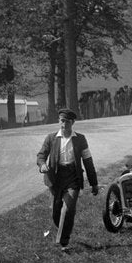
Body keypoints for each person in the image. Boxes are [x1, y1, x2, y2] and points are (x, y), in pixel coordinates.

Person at [35, 108, 99, 252]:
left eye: (67, 122)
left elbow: (88, 161)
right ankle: (63, 229)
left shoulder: (80, 139)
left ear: (73, 123)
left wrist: (94, 183)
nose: (64, 125)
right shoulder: (51, 138)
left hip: (73, 177)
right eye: (62, 121)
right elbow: (41, 155)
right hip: (55, 178)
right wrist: (43, 165)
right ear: (59, 121)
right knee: (56, 211)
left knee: (68, 208)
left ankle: (63, 242)